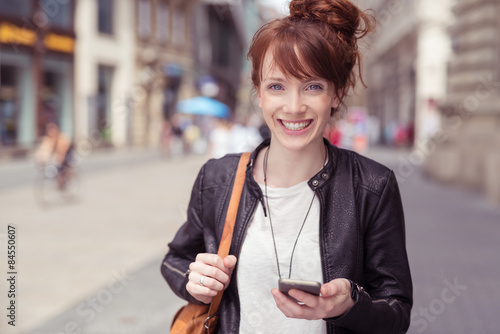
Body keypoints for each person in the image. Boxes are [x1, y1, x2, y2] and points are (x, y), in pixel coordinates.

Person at [161, 0, 412, 333]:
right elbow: (176, 260)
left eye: (313, 86)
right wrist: (193, 281)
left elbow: (396, 313)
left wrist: (349, 304)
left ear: (336, 94)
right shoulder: (217, 178)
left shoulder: (372, 186)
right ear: (260, 94)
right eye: (277, 86)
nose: (294, 107)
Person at [35, 122, 74, 187]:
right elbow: (44, 150)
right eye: (49, 129)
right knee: (53, 166)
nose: (51, 131)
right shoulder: (49, 139)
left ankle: (65, 179)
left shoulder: (62, 137)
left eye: (52, 129)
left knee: (61, 167)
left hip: (67, 155)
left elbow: (63, 150)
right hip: (57, 156)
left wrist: (60, 159)